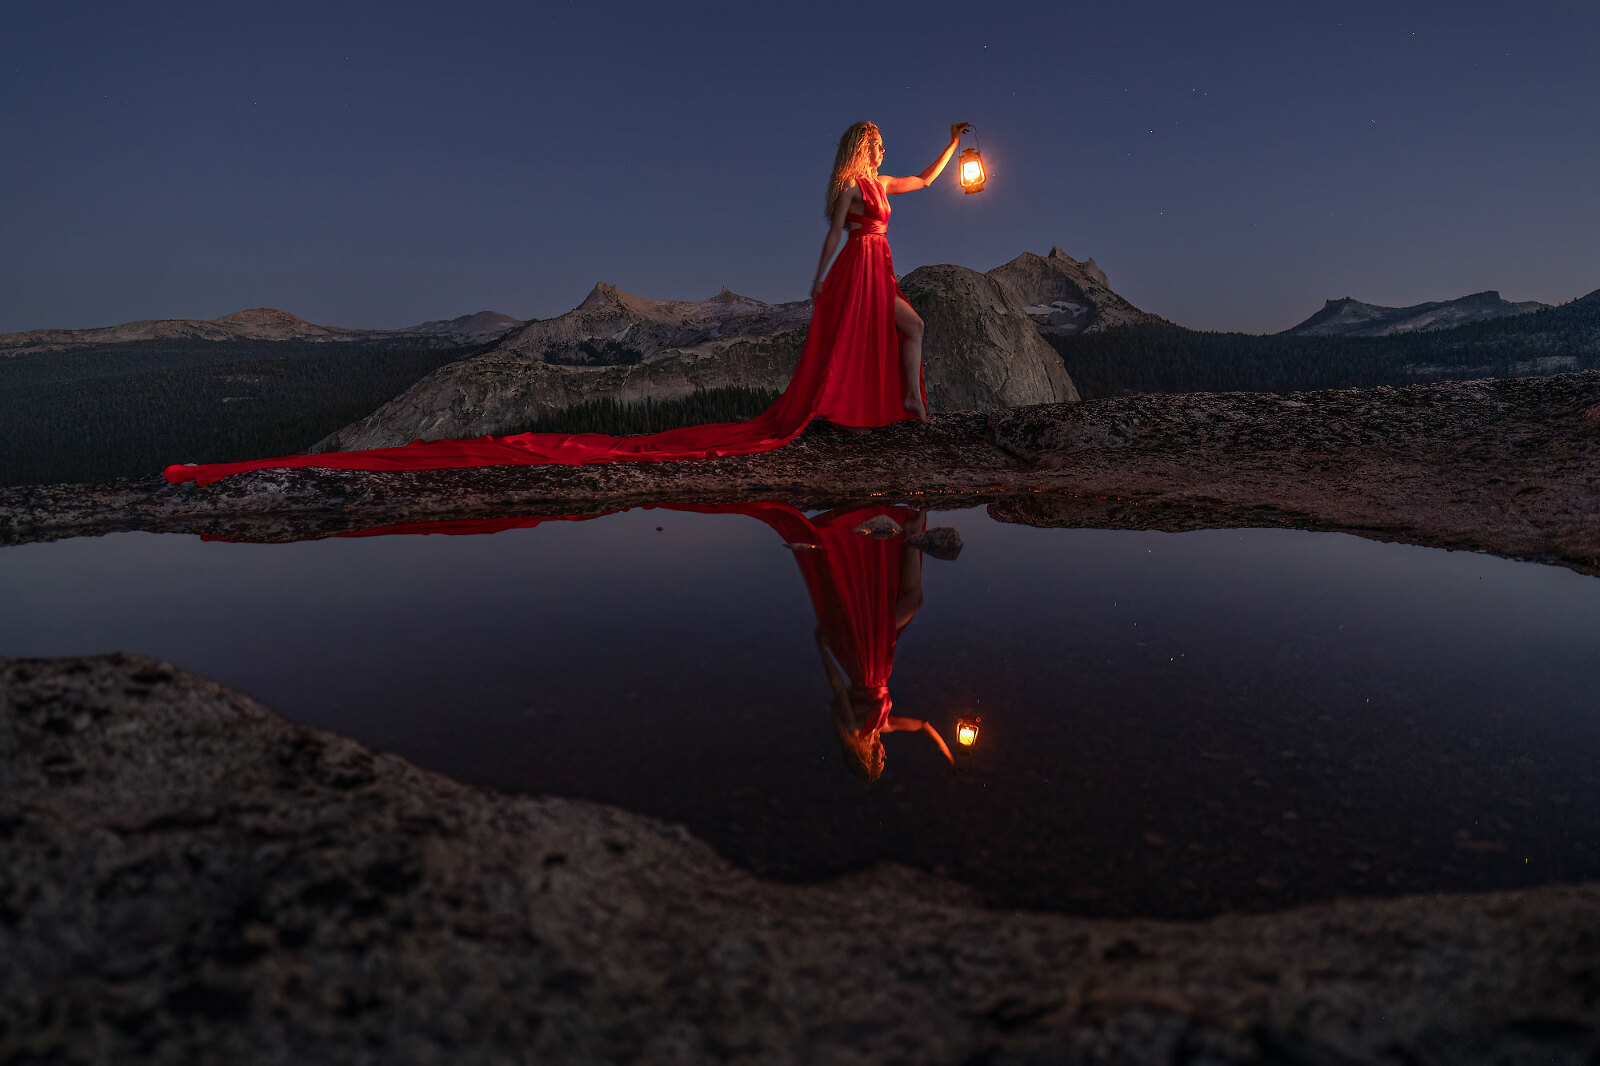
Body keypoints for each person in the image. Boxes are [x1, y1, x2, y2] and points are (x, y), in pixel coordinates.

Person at [163, 121, 973, 486]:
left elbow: (931, 183)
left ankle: (906, 406)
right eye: (875, 144)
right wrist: (816, 278)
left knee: (912, 324)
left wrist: (953, 144)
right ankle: (895, 411)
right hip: (857, 269)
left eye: (881, 146)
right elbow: (831, 239)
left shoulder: (890, 183)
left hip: (885, 267)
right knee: (882, 336)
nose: (882, 152)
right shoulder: (847, 191)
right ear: (858, 150)